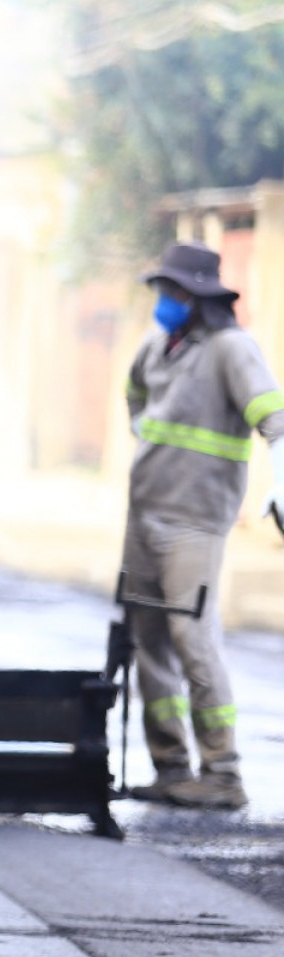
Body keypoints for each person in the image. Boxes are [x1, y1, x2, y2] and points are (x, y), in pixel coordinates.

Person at [123, 241, 284, 811]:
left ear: (197, 297)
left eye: (173, 291)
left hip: (195, 522)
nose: (164, 300)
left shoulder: (231, 348)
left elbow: (275, 417)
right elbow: (135, 394)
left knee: (193, 640)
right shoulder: (158, 344)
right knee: (148, 642)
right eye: (162, 290)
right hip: (143, 515)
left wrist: (281, 480)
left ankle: (223, 773)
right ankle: (171, 766)